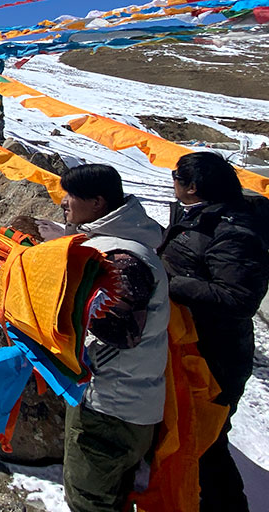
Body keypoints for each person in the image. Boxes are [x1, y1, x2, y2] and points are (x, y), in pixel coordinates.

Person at [159, 152, 269, 511]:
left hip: (217, 354)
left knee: (207, 441)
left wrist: (171, 283)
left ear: (193, 187)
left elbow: (238, 298)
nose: (173, 181)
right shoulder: (202, 216)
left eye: (176, 176)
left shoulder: (233, 231)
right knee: (190, 435)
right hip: (193, 344)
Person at [51, 164, 170, 512]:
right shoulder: (122, 243)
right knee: (113, 495)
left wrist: (62, 293)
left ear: (98, 202)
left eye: (72, 196)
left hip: (109, 405)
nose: (64, 202)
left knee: (90, 499)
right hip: (126, 398)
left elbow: (120, 329)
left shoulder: (122, 258)